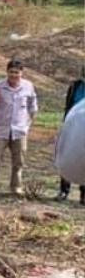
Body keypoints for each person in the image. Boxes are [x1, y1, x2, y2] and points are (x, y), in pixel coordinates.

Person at [0, 59, 38, 197]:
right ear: (7, 72)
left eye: (17, 72)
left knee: (19, 161)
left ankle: (16, 187)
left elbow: (33, 106)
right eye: (11, 72)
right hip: (1, 130)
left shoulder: (28, 86)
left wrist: (27, 124)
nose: (14, 75)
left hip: (20, 131)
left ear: (22, 73)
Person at [57, 66, 85, 204]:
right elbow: (68, 105)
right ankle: (64, 190)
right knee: (67, 154)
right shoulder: (75, 86)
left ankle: (83, 194)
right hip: (72, 125)